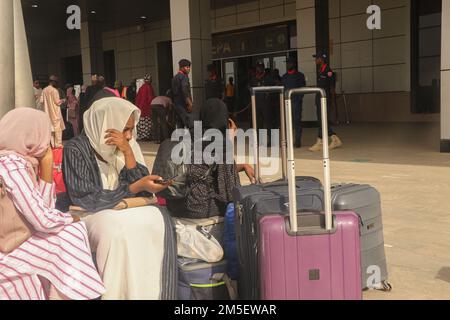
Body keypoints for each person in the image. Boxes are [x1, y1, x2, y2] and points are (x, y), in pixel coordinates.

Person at [62, 97, 175, 300]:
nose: (130, 136)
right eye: (125, 129)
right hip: (89, 213)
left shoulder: (125, 146)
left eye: (132, 129)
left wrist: (128, 152)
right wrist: (133, 188)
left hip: (122, 209)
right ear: (107, 124)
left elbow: (144, 191)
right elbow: (86, 197)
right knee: (114, 228)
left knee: (155, 218)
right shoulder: (75, 149)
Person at [0, 108, 105, 300]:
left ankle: (72, 293)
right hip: (9, 245)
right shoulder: (11, 164)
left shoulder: (22, 162)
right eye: (45, 133)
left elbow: (43, 210)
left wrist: (46, 168)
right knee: (72, 232)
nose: (47, 141)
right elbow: (43, 220)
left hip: (20, 236)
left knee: (69, 233)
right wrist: (69, 218)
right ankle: (77, 294)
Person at [309, 51, 343, 152]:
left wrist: (332, 102)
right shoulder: (320, 71)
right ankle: (323, 141)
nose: (315, 60)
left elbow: (332, 88)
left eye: (317, 58)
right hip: (319, 99)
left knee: (323, 121)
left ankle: (332, 138)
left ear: (322, 59)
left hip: (325, 100)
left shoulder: (328, 72)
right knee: (321, 121)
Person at [282, 57, 306, 148]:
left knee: (297, 122)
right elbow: (283, 89)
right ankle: (288, 140)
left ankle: (297, 141)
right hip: (287, 103)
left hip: (296, 102)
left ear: (293, 64)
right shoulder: (284, 77)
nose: (288, 65)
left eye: (290, 63)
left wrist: (298, 100)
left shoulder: (300, 75)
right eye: (287, 63)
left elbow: (302, 89)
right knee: (288, 123)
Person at [249, 62, 275, 146]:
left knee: (268, 123)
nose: (259, 69)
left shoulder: (268, 78)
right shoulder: (254, 78)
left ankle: (271, 141)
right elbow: (249, 86)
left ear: (263, 68)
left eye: (260, 67)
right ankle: (258, 141)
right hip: (257, 103)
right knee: (258, 123)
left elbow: (274, 87)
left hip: (266, 104)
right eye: (258, 67)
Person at [41, 75, 66, 148]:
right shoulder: (54, 90)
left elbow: (42, 101)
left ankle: (52, 144)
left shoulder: (44, 90)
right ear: (54, 82)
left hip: (47, 112)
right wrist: (63, 100)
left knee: (50, 129)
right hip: (55, 113)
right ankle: (58, 144)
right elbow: (57, 102)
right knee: (58, 129)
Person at [172, 59, 194, 129]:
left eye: (189, 67)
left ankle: (181, 139)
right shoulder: (184, 77)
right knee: (189, 123)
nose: (189, 69)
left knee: (179, 124)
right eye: (187, 67)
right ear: (181, 67)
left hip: (177, 104)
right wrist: (189, 103)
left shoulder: (174, 78)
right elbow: (184, 90)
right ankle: (192, 139)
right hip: (184, 105)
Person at [135, 74, 156, 141]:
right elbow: (150, 98)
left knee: (142, 123)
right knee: (147, 123)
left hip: (140, 109)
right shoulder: (149, 87)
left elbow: (138, 98)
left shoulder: (141, 88)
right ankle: (146, 136)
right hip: (147, 109)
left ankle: (142, 136)